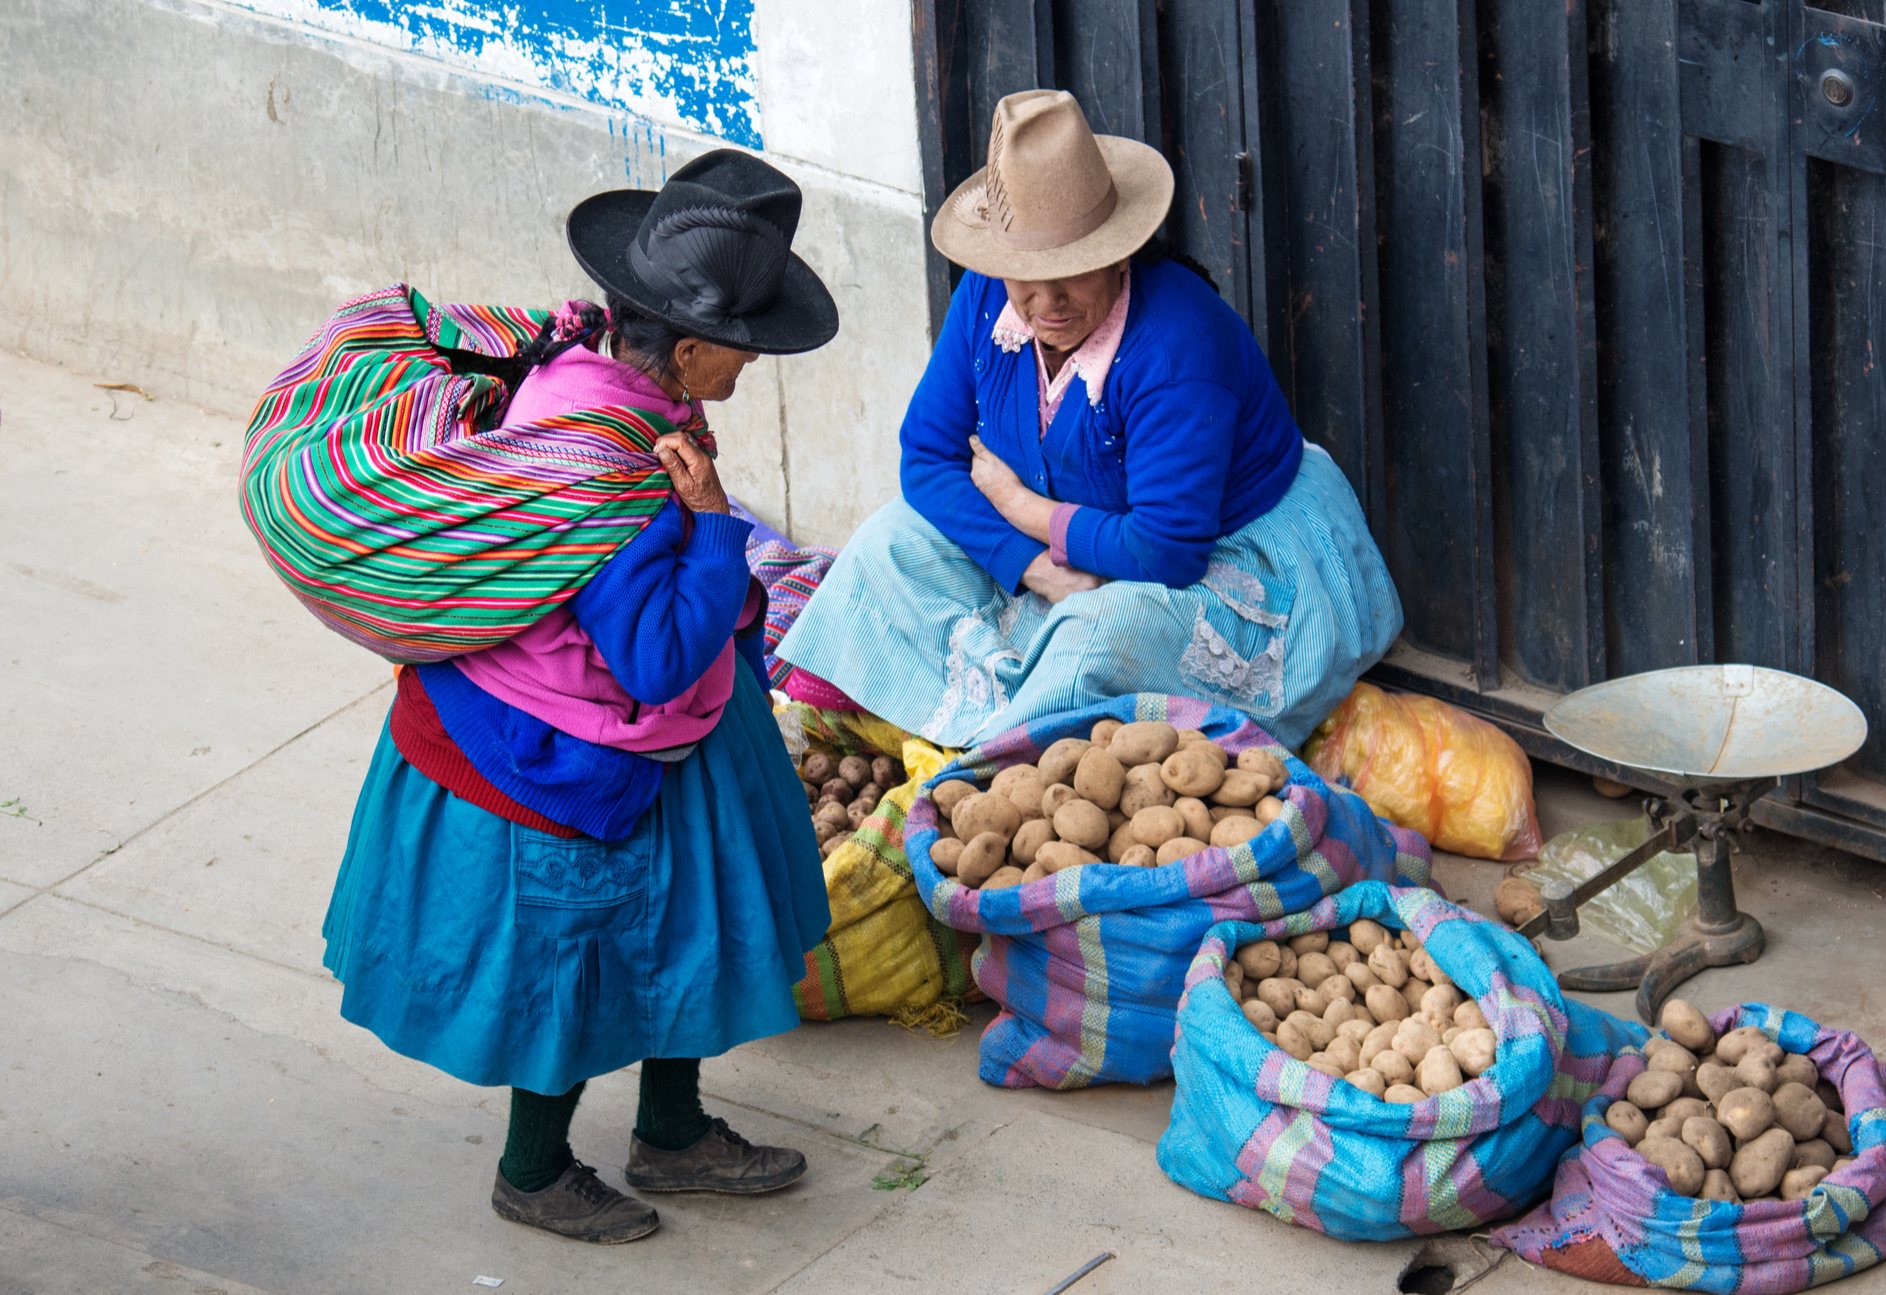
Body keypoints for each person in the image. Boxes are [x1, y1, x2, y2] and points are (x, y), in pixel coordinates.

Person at [320, 151, 837, 1244]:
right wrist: (709, 530)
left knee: (689, 925)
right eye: (744, 345)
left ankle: (673, 1127)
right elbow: (651, 655)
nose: (752, 362)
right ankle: (534, 1166)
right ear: (689, 350)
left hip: (637, 727)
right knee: (574, 959)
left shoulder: (577, 375)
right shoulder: (619, 468)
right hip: (564, 750)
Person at [776, 90, 1401, 749]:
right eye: (1025, 276)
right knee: (885, 543)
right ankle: (1003, 703)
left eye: (1071, 272)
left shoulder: (1176, 346)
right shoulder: (986, 297)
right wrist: (1030, 565)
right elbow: (927, 457)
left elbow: (1166, 548)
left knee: (1096, 640)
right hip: (1082, 545)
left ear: (1118, 250)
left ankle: (1000, 737)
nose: (1048, 303)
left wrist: (1023, 509)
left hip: (1220, 552)